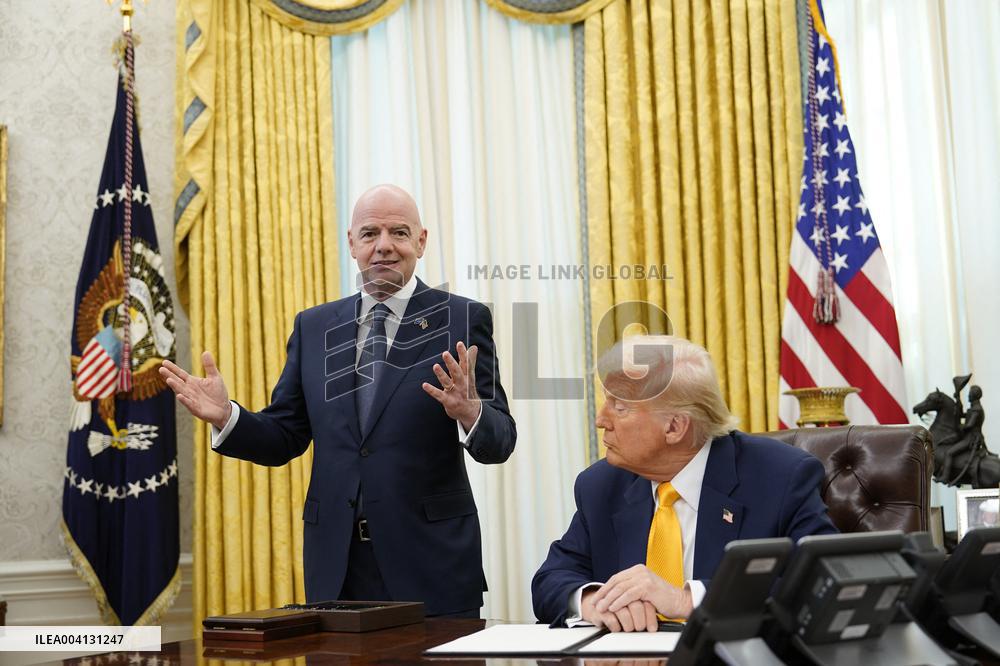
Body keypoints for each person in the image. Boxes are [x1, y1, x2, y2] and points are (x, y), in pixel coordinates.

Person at [160, 184, 517, 617]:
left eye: (399, 232)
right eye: (369, 234)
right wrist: (227, 416)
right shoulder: (313, 327)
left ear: (421, 242)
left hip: (432, 568)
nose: (383, 246)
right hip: (338, 569)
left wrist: (471, 412)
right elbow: (285, 435)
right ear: (352, 243)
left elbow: (501, 439)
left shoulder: (462, 318)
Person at [531, 335, 837, 631]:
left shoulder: (780, 477)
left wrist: (686, 600)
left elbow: (824, 581)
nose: (601, 420)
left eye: (620, 407)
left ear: (675, 427)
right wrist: (595, 601)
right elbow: (551, 579)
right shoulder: (601, 486)